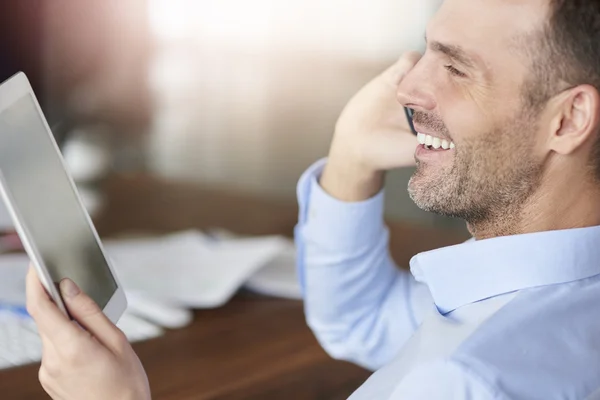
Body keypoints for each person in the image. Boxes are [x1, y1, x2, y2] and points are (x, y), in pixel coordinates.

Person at [25, 0, 600, 398]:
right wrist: (349, 159)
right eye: (423, 51)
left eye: (455, 66)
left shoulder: (465, 381)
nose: (406, 87)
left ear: (569, 119)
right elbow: (363, 321)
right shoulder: (546, 297)